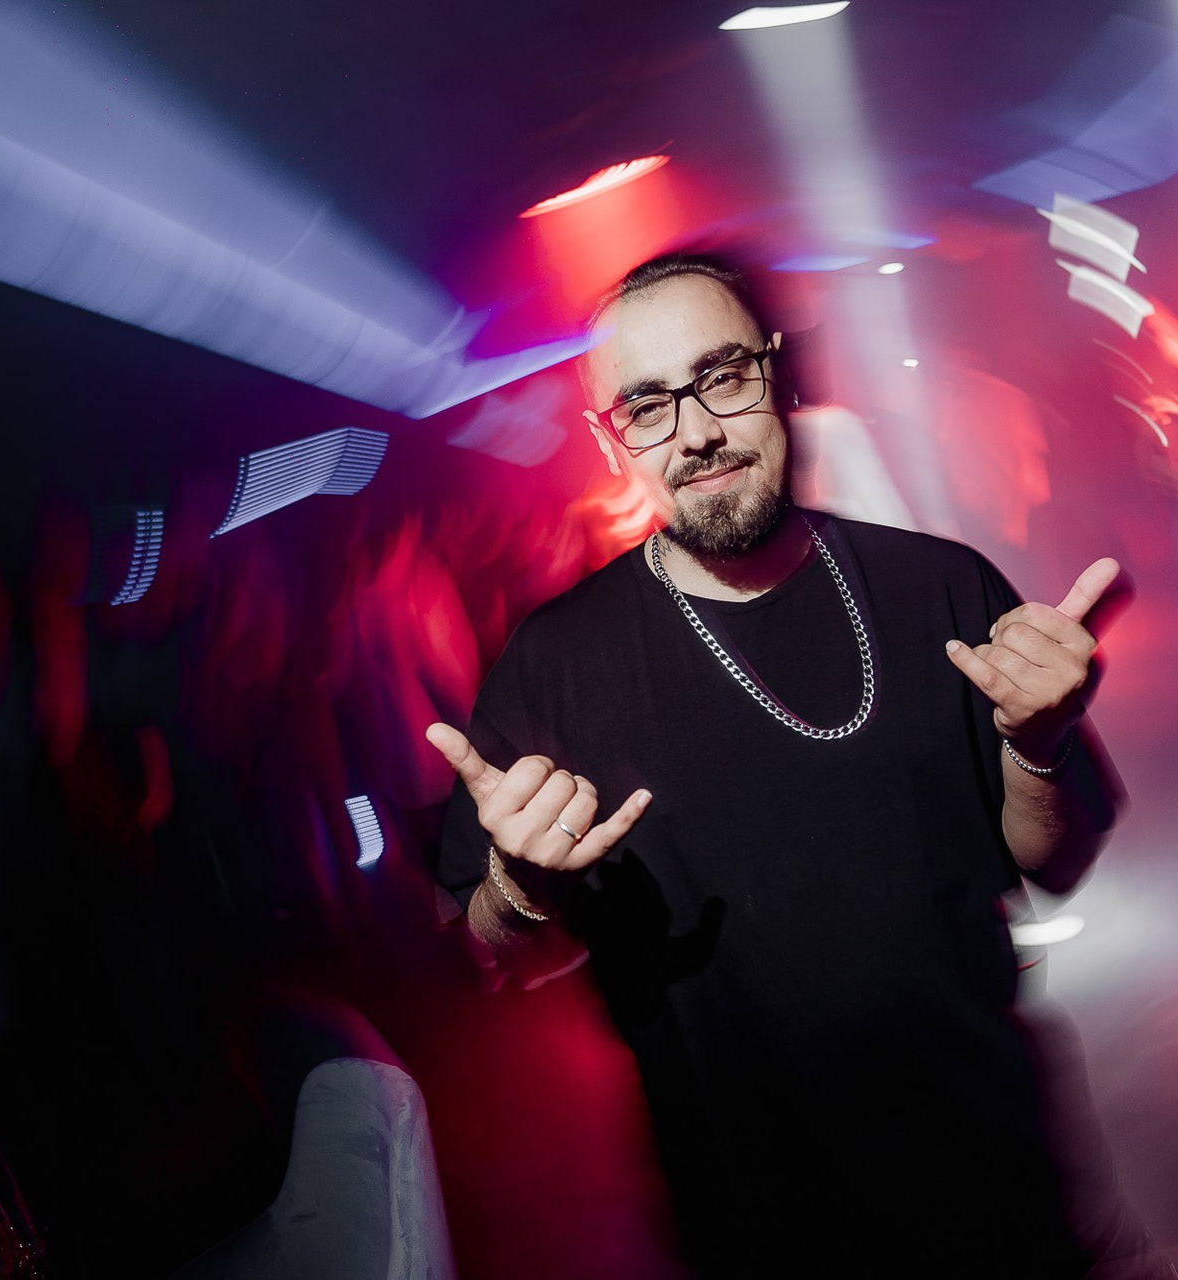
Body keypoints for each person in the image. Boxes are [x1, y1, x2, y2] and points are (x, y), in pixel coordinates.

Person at [428, 251, 1128, 1277]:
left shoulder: (941, 587)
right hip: (752, 1224)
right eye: (647, 406)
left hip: (996, 1183)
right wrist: (519, 887)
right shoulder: (554, 666)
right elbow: (488, 951)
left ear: (777, 373)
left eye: (722, 377)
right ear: (610, 441)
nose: (696, 432)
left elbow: (1057, 861)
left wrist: (1039, 742)